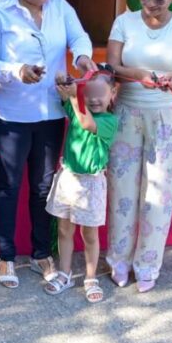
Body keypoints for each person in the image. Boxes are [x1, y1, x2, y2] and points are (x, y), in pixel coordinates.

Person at [0, 0, 97, 289]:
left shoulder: (60, 7)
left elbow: (79, 37)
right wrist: (17, 70)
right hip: (9, 115)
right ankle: (6, 256)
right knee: (10, 186)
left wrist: (83, 58)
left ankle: (41, 252)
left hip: (49, 113)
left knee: (44, 187)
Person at [105, 0, 172, 293]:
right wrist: (137, 74)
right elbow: (112, 66)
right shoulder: (124, 22)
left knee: (158, 193)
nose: (150, 4)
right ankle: (118, 259)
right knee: (122, 190)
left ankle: (148, 263)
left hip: (167, 117)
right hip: (127, 112)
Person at [44, 72, 119, 303]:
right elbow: (63, 95)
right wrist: (64, 82)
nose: (94, 100)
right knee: (65, 230)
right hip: (68, 178)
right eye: (90, 95)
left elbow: (86, 123)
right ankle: (65, 273)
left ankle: (90, 277)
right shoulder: (77, 109)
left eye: (100, 95)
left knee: (89, 234)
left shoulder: (109, 121)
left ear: (112, 94)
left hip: (91, 183)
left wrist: (76, 99)